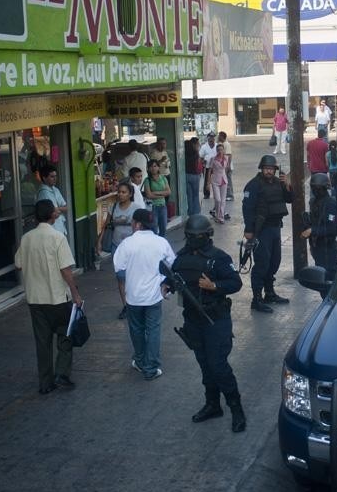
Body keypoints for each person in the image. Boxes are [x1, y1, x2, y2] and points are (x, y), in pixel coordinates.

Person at [172, 215, 246, 432]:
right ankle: (213, 405)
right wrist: (167, 285)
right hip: (193, 319)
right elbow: (174, 275)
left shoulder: (218, 258)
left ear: (207, 236)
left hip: (215, 320)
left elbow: (235, 282)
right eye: (190, 236)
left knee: (218, 366)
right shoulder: (182, 256)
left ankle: (236, 408)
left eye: (197, 236)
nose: (193, 240)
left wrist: (214, 285)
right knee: (205, 365)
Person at [15, 199, 82, 394]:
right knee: (65, 336)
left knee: (42, 342)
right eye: (55, 211)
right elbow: (66, 269)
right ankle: (62, 374)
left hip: (35, 299)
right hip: (58, 297)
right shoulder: (58, 237)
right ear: (52, 215)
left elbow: (19, 263)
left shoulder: (27, 238)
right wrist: (75, 293)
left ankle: (45, 383)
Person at [113, 208, 177, 380]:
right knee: (153, 329)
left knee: (136, 329)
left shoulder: (127, 243)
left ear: (138, 224)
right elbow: (173, 263)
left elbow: (118, 266)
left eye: (133, 222)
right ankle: (152, 367)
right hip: (154, 296)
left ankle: (140, 361)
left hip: (133, 296)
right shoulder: (160, 242)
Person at [242, 154, 294, 313]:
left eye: (271, 169)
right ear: (262, 169)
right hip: (261, 230)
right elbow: (247, 209)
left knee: (274, 262)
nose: (269, 171)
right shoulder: (253, 185)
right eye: (266, 169)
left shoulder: (279, 183)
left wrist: (287, 186)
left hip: (275, 228)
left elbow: (290, 199)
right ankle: (256, 299)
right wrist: (249, 230)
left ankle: (269, 293)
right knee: (262, 264)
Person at [96, 181, 141, 319]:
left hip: (133, 248)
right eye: (119, 192)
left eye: (124, 192)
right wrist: (99, 241)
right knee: (121, 277)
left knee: (133, 277)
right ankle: (126, 305)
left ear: (130, 194)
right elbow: (105, 225)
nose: (121, 195)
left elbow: (141, 227)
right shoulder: (113, 207)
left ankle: (136, 304)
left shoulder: (136, 208)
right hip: (117, 247)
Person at [301, 173, 337, 297]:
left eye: (319, 188)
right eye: (315, 188)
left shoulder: (330, 204)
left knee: (329, 282)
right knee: (321, 281)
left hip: (328, 248)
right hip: (317, 247)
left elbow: (332, 229)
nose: (316, 190)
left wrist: (313, 230)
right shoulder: (313, 202)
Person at [36, 165, 69, 236]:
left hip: (61, 228)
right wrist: (59, 209)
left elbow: (67, 207)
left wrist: (58, 208)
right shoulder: (43, 192)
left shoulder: (56, 189)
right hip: (51, 231)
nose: (55, 179)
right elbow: (54, 214)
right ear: (44, 178)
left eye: (55, 176)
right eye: (52, 177)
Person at [143, 159, 171, 236]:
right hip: (153, 207)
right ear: (148, 168)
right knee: (154, 229)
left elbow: (168, 192)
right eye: (151, 166)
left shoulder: (163, 178)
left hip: (163, 206)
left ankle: (162, 246)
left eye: (155, 166)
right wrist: (163, 194)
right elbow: (149, 195)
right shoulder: (147, 180)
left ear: (158, 167)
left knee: (163, 228)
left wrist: (156, 193)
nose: (153, 168)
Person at [209, 143, 229, 224]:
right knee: (218, 199)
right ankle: (217, 215)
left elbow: (226, 169)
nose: (220, 151)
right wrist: (208, 182)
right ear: (216, 151)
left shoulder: (226, 158)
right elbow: (209, 171)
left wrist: (227, 180)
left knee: (223, 200)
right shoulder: (213, 159)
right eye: (218, 150)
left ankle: (221, 217)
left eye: (221, 149)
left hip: (224, 180)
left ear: (223, 150)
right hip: (215, 181)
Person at [184, 137, 202, 216]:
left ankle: (190, 212)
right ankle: (197, 212)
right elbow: (197, 164)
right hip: (195, 175)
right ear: (194, 144)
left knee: (189, 195)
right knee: (195, 195)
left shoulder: (185, 153)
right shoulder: (195, 153)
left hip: (186, 175)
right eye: (197, 144)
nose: (199, 145)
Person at [199, 132, 218, 198]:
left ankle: (217, 192)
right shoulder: (204, 147)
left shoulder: (217, 145)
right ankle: (207, 194)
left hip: (216, 167)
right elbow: (200, 157)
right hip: (207, 167)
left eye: (213, 137)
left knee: (216, 180)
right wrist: (203, 162)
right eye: (210, 137)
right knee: (206, 181)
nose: (212, 139)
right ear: (208, 138)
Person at [217, 131, 235, 201]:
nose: (218, 137)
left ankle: (230, 195)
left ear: (222, 137)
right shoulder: (222, 144)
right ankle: (226, 195)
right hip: (224, 166)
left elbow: (229, 155)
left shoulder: (226, 144)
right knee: (225, 181)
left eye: (219, 136)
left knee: (228, 181)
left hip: (227, 167)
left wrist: (228, 166)